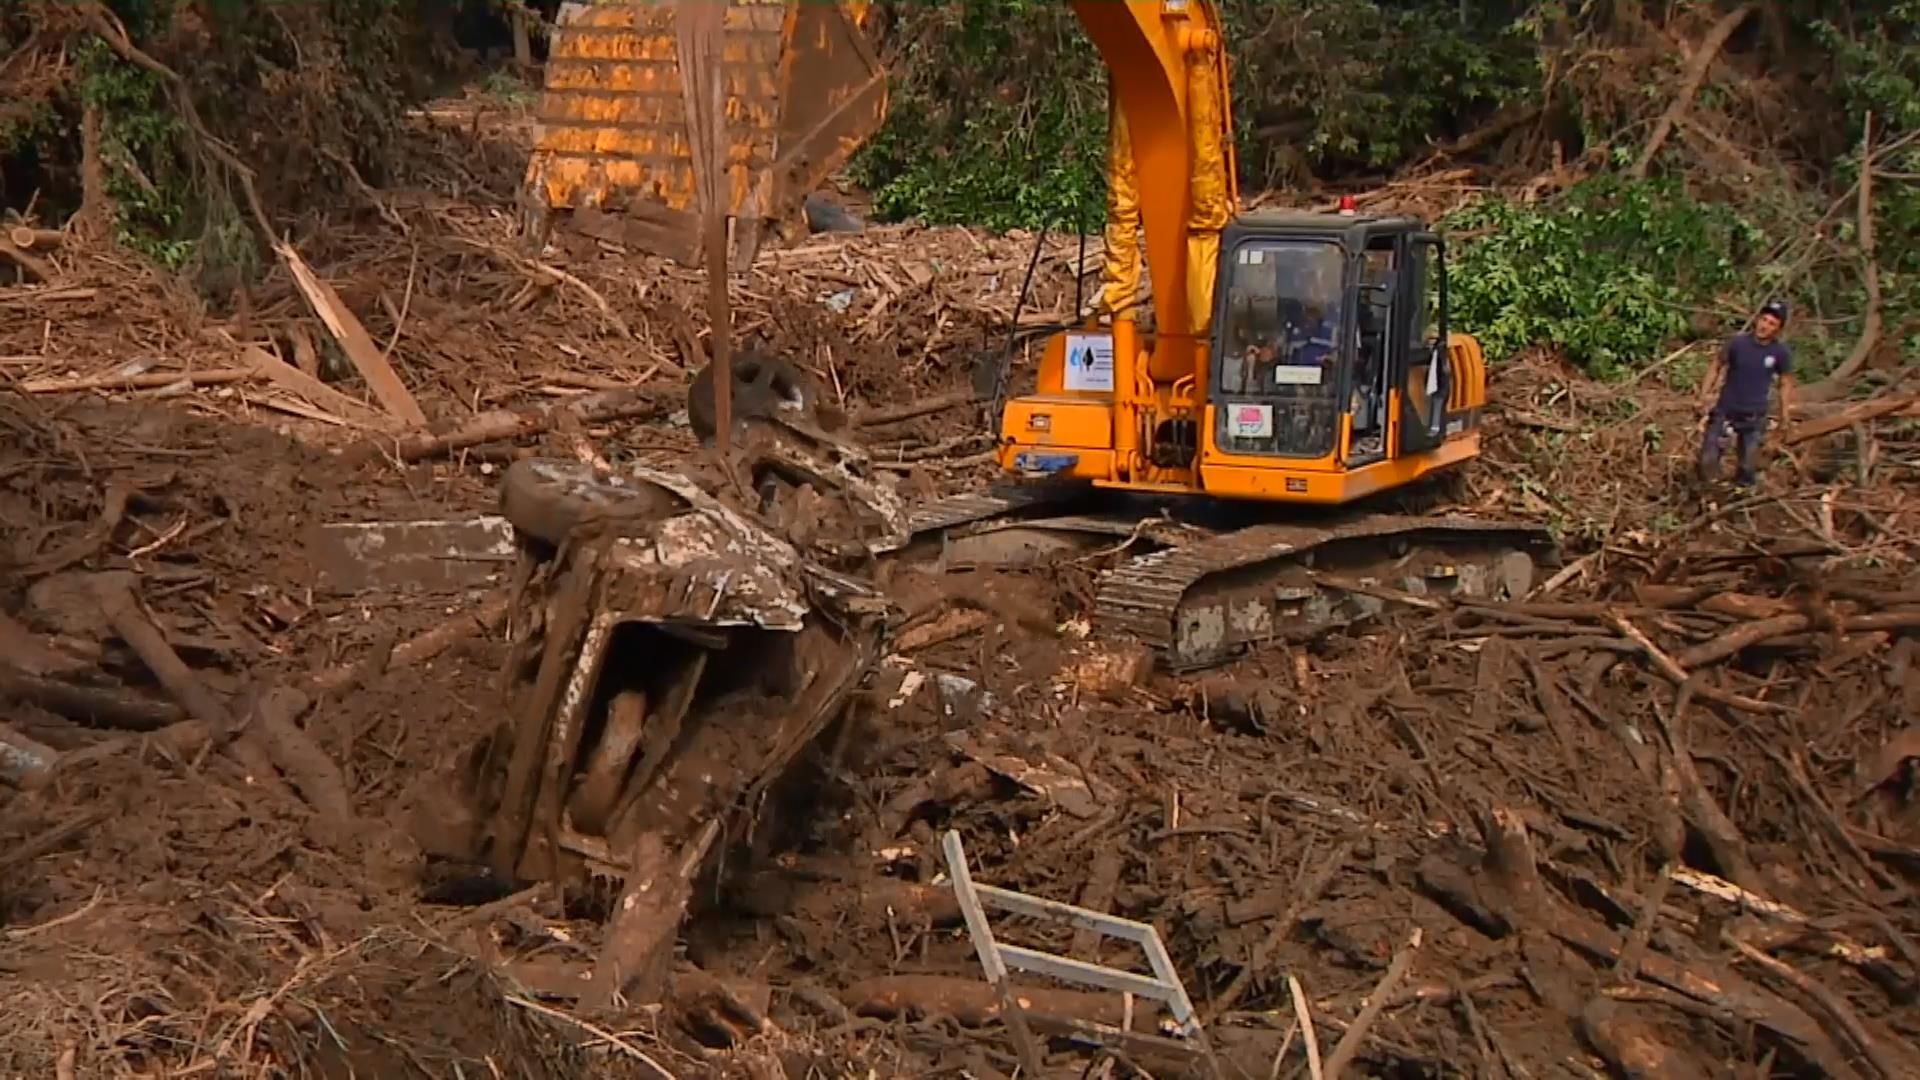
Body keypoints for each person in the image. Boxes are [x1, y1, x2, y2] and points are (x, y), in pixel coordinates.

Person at [1697, 299, 1795, 488]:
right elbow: (1717, 365)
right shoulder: (1738, 343)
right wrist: (1703, 394)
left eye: (1772, 323)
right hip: (1726, 410)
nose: (1765, 326)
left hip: (1754, 416)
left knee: (1747, 467)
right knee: (1708, 459)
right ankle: (1707, 496)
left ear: (1778, 329)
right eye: (1764, 320)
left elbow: (1785, 383)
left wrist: (1785, 416)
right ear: (1758, 319)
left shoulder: (1780, 353)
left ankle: (1740, 505)